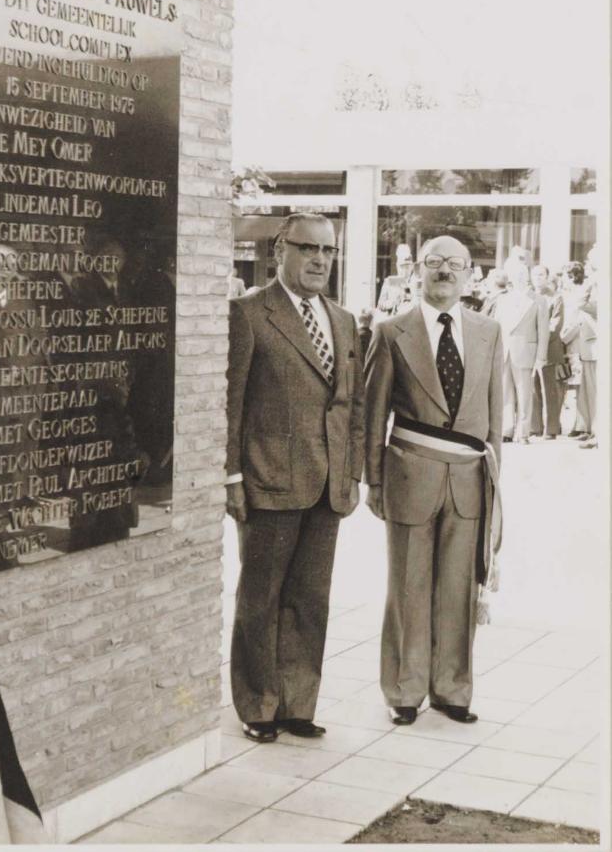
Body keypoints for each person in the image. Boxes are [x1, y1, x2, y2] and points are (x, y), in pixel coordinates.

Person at [226, 213, 365, 743]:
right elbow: (231, 402)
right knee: (260, 597)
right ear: (280, 250)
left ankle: (297, 704)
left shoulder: (344, 320)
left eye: (328, 251)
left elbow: (351, 406)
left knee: (311, 599)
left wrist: (351, 473)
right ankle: (258, 705)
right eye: (308, 248)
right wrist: (231, 476)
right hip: (269, 479)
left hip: (328, 484)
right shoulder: (249, 314)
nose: (319, 260)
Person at [364, 235, 503, 727]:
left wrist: (494, 485)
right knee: (409, 583)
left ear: (469, 274)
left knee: (459, 589)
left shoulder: (489, 331)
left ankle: (452, 689)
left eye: (455, 264)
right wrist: (373, 482)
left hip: (468, 480)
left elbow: (494, 419)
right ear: (417, 271)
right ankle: (404, 690)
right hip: (409, 473)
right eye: (435, 262)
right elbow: (372, 412)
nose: (445, 271)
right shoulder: (391, 331)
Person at [491, 262, 548, 444]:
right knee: (505, 393)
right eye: (516, 275)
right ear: (511, 279)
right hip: (504, 351)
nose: (519, 278)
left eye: (523, 274)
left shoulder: (538, 300)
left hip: (526, 353)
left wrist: (540, 357)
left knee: (524, 394)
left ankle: (523, 432)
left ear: (528, 276)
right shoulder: (503, 299)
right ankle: (506, 430)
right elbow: (497, 327)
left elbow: (543, 332)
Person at [562, 249, 598, 447]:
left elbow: (582, 304)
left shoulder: (595, 282)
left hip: (591, 340)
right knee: (585, 387)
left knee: (593, 388)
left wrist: (590, 281)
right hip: (585, 341)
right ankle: (585, 426)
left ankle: (595, 430)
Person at [530, 265, 567, 439]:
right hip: (530, 349)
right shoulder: (528, 297)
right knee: (533, 389)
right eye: (535, 274)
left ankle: (551, 429)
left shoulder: (556, 298)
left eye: (541, 275)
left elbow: (555, 325)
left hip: (550, 350)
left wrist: (540, 340)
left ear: (546, 277)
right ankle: (535, 427)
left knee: (550, 391)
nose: (538, 278)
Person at [376, 243, 414, 318]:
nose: (405, 270)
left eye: (407, 266)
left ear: (412, 267)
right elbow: (380, 305)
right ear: (397, 266)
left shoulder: (415, 283)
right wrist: (390, 303)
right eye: (402, 266)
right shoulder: (390, 282)